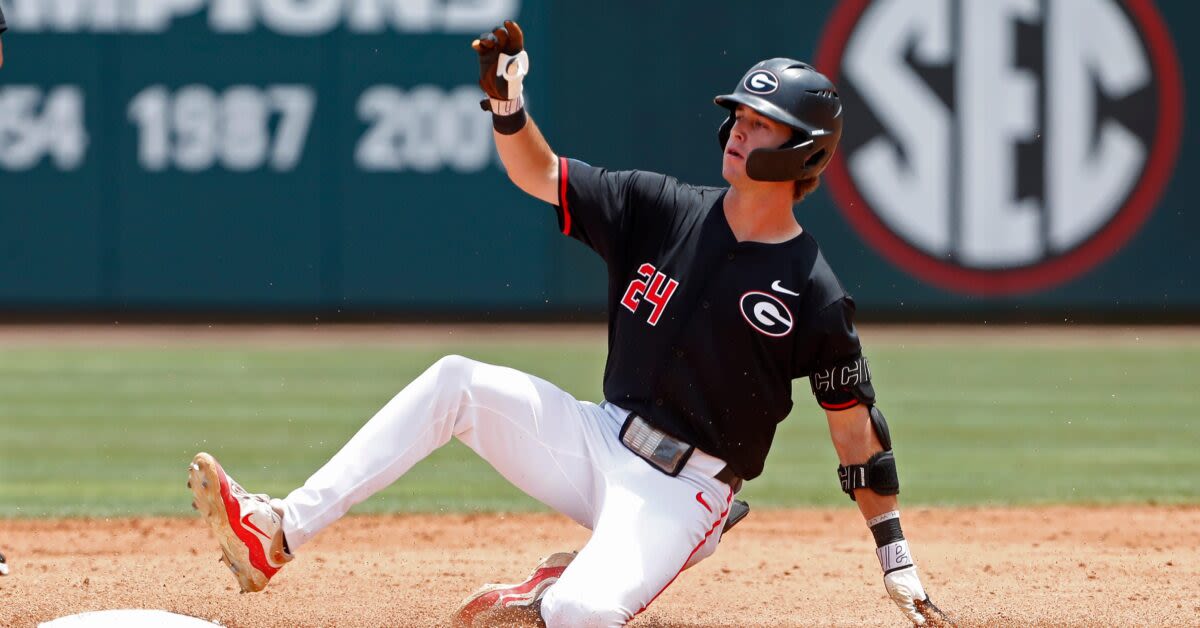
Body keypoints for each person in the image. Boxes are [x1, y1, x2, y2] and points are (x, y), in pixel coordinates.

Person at [188, 20, 952, 627]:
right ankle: (275, 532)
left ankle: (573, 583)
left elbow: (857, 433)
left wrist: (897, 563)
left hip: (685, 491)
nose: (739, 131)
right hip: (597, 435)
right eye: (739, 117)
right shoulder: (660, 209)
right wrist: (507, 108)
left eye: (763, 124)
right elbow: (537, 172)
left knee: (579, 613)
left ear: (802, 153)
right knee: (456, 382)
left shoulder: (812, 291)